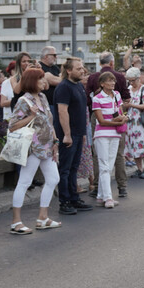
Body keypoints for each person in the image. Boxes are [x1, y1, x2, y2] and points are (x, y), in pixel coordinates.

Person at [7, 68, 62, 234]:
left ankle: (43, 217)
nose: (44, 82)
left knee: (53, 179)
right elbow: (12, 125)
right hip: (32, 147)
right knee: (24, 182)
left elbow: (49, 122)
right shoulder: (24, 101)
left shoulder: (43, 97)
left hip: (46, 146)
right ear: (32, 81)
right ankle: (16, 222)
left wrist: (55, 141)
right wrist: (30, 117)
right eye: (40, 79)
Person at [53, 57, 92, 216]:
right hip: (67, 135)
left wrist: (82, 133)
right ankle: (65, 201)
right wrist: (67, 135)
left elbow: (80, 111)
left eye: (82, 68)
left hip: (78, 133)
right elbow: (62, 112)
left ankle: (74, 198)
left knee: (74, 168)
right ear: (69, 70)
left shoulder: (78, 86)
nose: (82, 71)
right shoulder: (64, 87)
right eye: (78, 68)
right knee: (65, 169)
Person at [90, 72, 127, 208]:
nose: (112, 83)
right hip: (102, 135)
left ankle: (101, 195)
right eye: (109, 81)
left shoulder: (117, 95)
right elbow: (101, 121)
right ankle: (108, 197)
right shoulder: (97, 99)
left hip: (115, 134)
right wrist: (117, 122)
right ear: (102, 83)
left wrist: (123, 118)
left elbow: (121, 113)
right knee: (104, 165)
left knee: (109, 165)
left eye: (113, 81)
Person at [124, 67, 144, 181]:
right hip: (131, 121)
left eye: (133, 80)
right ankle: (139, 168)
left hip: (141, 121)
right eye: (130, 80)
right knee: (134, 145)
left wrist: (131, 105)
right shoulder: (128, 89)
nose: (131, 83)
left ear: (138, 78)